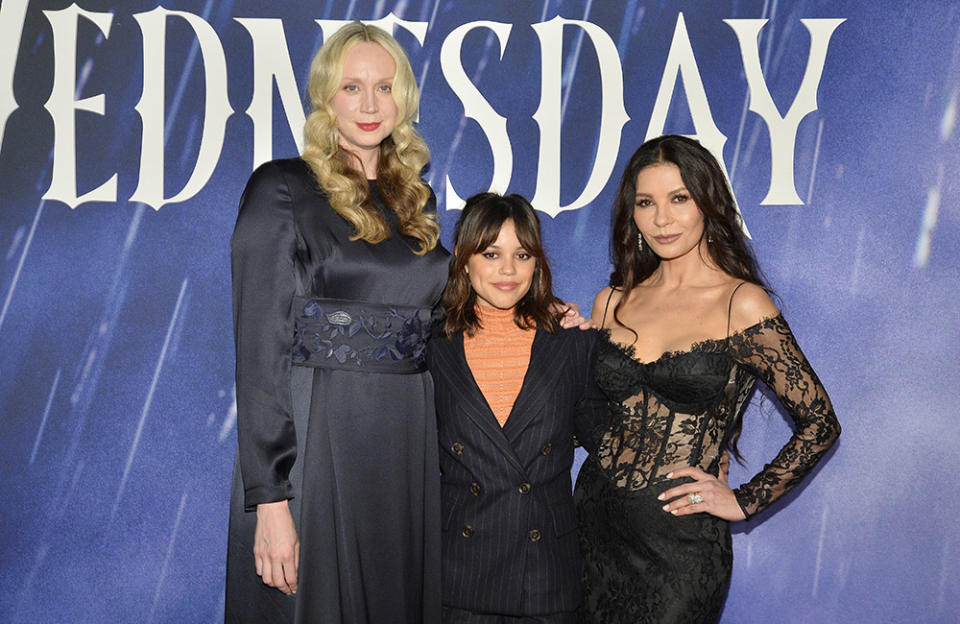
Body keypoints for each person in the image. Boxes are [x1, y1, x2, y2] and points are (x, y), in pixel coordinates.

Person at [225, 22, 449, 623]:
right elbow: (259, 347)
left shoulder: (415, 202)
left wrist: (540, 310)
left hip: (405, 448)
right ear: (326, 97)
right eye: (352, 87)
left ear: (404, 97)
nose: (371, 105)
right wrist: (271, 499)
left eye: (385, 86)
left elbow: (448, 320)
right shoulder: (283, 188)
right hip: (317, 448)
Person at [575, 135, 841, 623]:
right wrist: (560, 340)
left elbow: (820, 423)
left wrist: (744, 500)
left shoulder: (741, 303)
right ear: (630, 214)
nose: (662, 219)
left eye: (679, 199)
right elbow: (586, 418)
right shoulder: (610, 301)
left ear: (707, 204)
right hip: (593, 531)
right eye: (646, 203)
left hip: (681, 549)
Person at [427, 193, 607, 624]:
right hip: (459, 578)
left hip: (546, 577)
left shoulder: (572, 343)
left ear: (537, 263)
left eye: (522, 254)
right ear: (463, 259)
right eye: (491, 254)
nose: (508, 270)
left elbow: (612, 443)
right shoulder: (430, 345)